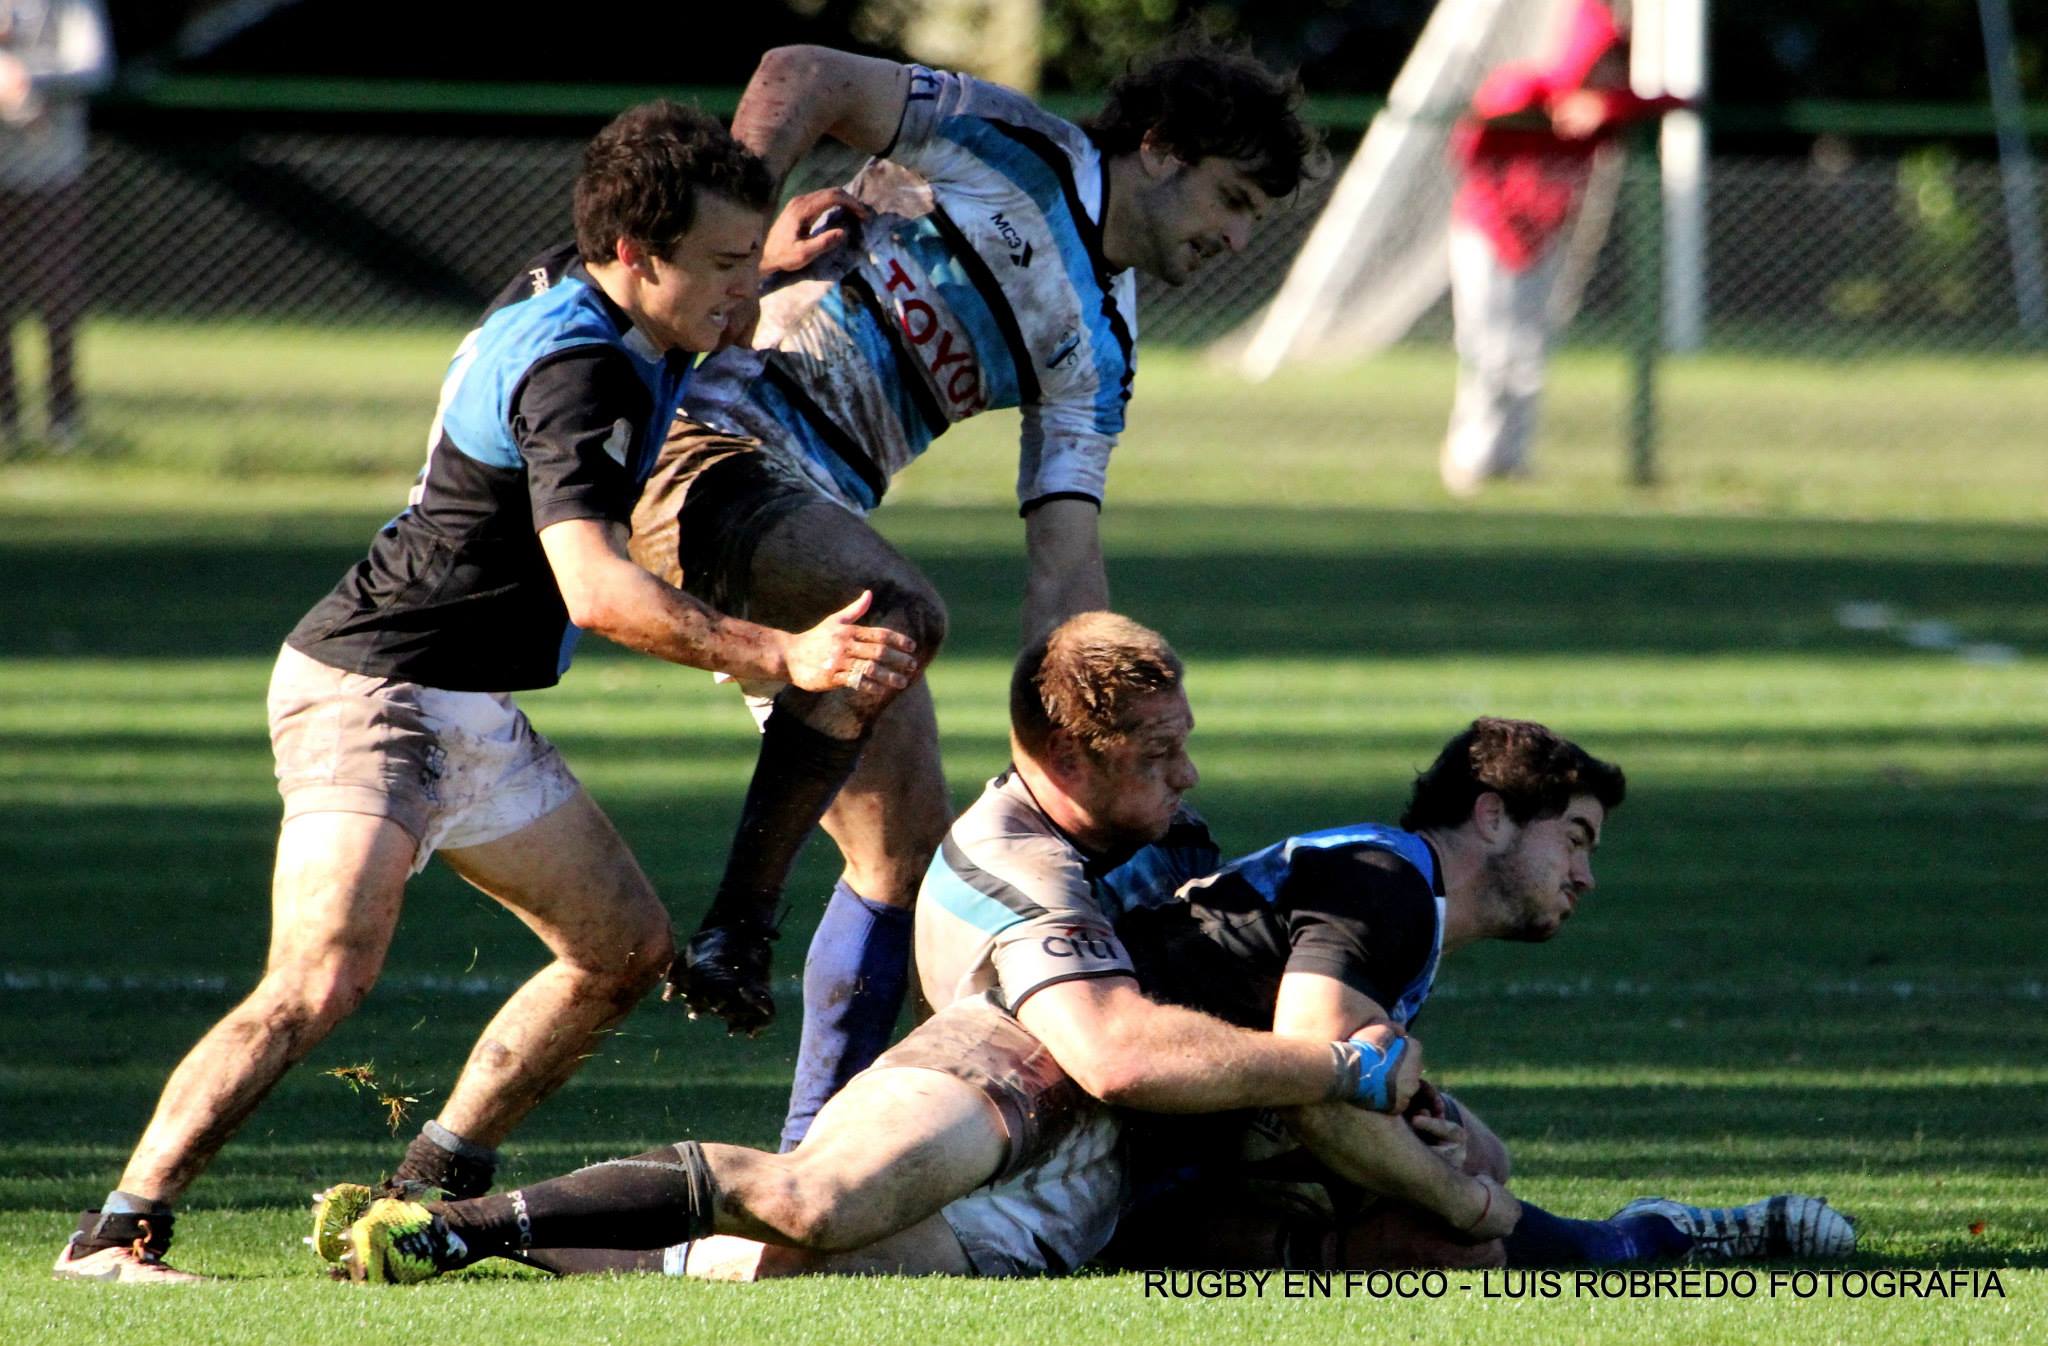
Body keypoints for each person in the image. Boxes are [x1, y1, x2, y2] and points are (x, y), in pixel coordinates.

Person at [52, 100, 919, 1285]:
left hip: (462, 704)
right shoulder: (579, 375)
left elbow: (683, 293)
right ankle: (118, 1230)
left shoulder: (603, 287)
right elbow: (600, 591)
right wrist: (788, 656)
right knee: (318, 978)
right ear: (634, 254)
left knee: (620, 949)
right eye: (720, 265)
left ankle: (428, 1192)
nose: (741, 295)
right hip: (372, 687)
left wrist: (763, 257)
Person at [628, 40, 1326, 1151]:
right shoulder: (1012, 149)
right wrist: (732, 247)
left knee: (904, 858)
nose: (1236, 237)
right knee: (895, 603)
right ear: (1154, 150)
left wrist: (1077, 747)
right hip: (686, 441)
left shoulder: (1100, 346)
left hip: (787, 521)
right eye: (1230, 198)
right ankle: (737, 925)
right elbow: (794, 69)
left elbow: (1065, 565)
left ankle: (822, 1166)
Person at [312, 612, 1420, 1283]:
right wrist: (1337, 1066)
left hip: (1063, 1171)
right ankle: (455, 1227)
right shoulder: (1016, 864)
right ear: (1076, 758)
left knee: (765, 1272)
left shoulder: (1143, 824)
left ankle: (457, 1238)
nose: (1187, 776)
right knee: (805, 1206)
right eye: (1160, 752)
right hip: (995, 1108)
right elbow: (1109, 1051)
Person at [1097, 716, 1856, 1270]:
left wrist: (1418, 1128)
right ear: (1492, 815)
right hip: (1112, 1145)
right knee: (1460, 1229)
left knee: (1478, 1150)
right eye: (1575, 839)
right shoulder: (1385, 883)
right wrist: (1463, 1203)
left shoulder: (1401, 889)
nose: (1585, 877)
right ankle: (1638, 1238)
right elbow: (1314, 1075)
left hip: (1161, 1128)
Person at [1439, 0, 1686, 495]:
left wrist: (1607, 106)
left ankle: (1512, 458)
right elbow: (1475, 132)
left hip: (1542, 240)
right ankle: (1470, 458)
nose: (1608, 71)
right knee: (1488, 349)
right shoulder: (1529, 88)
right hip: (1488, 232)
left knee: (1528, 353)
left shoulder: (1603, 112)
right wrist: (1550, 109)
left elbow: (1678, 101)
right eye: (1601, 60)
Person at [0, 0, 110, 451]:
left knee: (56, 297)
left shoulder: (70, 4)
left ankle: (63, 419)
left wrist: (27, 81)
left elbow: (93, 68)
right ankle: (6, 420)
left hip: (52, 172)